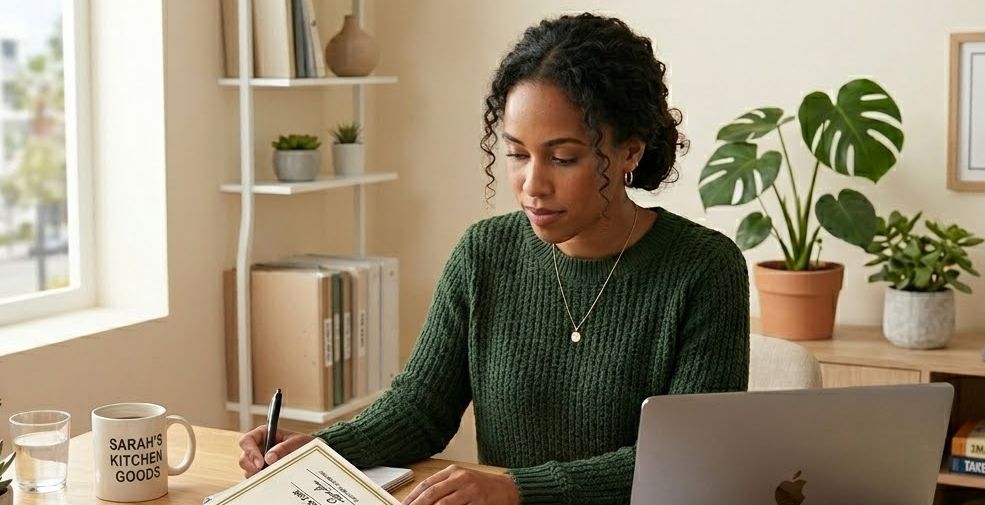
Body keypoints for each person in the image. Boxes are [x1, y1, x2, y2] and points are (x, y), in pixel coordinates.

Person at [238, 12, 749, 504]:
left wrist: (518, 490)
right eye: (518, 154)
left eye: (562, 158)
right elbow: (421, 409)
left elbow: (688, 459)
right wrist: (318, 448)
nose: (532, 184)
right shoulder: (484, 252)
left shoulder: (703, 268)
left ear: (629, 152)